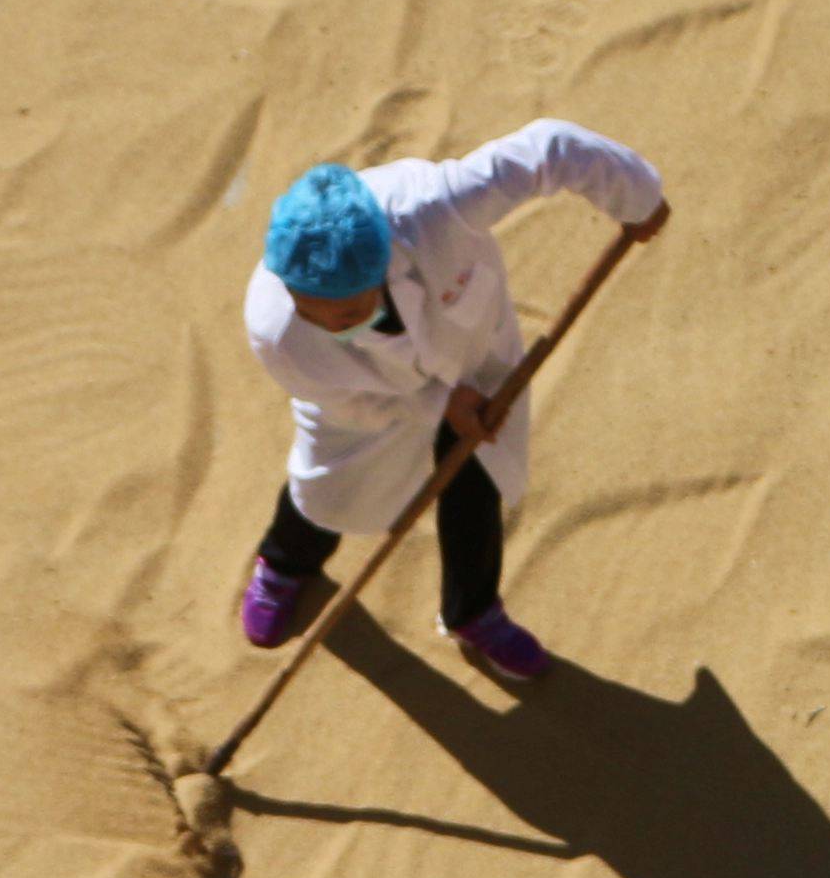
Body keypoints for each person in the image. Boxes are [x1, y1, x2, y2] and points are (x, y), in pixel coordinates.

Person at [238, 120, 669, 684]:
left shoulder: (434, 206)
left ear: (382, 270)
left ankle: (473, 612)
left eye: (344, 313)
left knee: (475, 481)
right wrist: (437, 403)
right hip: (365, 403)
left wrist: (636, 197)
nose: (322, 322)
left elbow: (551, 148)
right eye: (307, 305)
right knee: (329, 482)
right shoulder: (279, 329)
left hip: (474, 358)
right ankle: (285, 563)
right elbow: (349, 405)